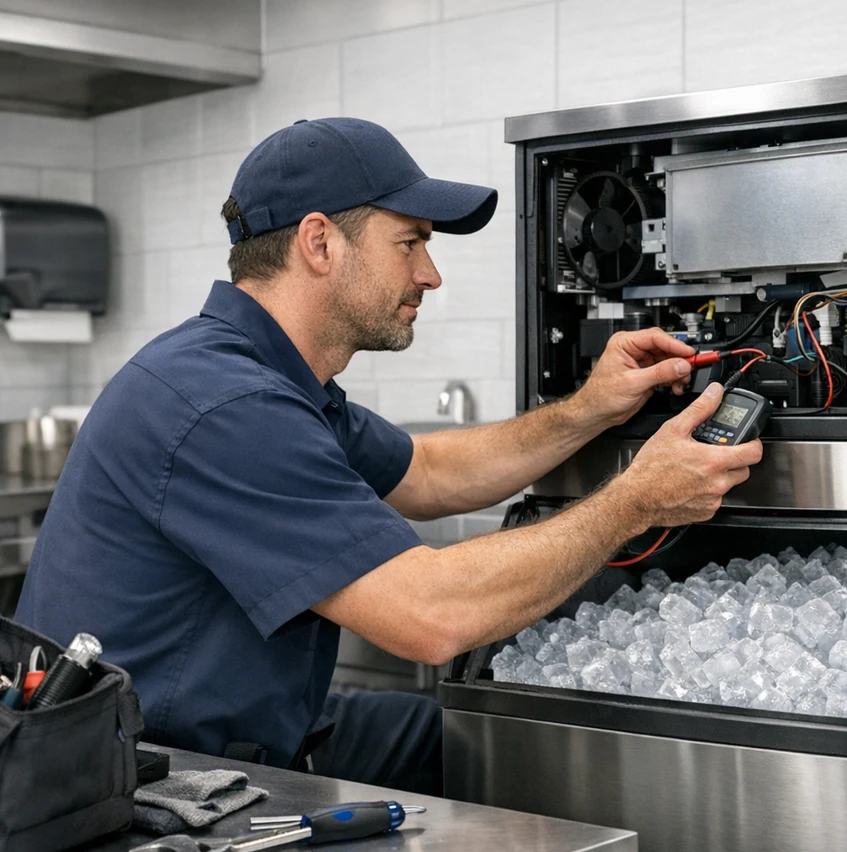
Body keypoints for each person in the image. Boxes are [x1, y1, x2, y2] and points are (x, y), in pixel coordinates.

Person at [15, 118, 762, 795]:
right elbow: (428, 616)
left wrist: (588, 410)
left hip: (259, 731)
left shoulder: (270, 374)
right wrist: (637, 500)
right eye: (410, 243)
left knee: (478, 738)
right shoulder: (222, 403)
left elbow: (431, 474)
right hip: (149, 781)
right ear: (319, 243)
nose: (430, 274)